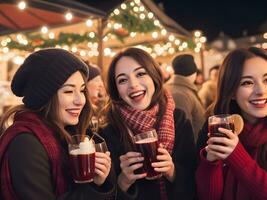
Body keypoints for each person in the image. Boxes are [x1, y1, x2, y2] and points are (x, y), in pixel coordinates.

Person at [0, 48, 115, 199]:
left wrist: (100, 179)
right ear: (44, 97)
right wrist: (93, 189)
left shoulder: (73, 133)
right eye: (68, 91)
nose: (80, 100)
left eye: (81, 90)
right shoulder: (25, 144)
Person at [101, 48, 197, 200]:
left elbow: (195, 182)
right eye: (122, 80)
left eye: (140, 74)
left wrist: (172, 171)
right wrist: (123, 181)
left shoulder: (178, 118)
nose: (133, 84)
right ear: (116, 90)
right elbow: (102, 193)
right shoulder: (107, 133)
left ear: (153, 75)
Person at [196, 47, 267, 200]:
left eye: (266, 80)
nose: (261, 90)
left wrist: (236, 155)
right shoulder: (215, 127)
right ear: (232, 91)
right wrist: (211, 162)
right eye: (247, 82)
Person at [166, 54, 205, 142]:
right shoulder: (180, 94)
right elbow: (184, 134)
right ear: (194, 72)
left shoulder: (180, 89)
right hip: (192, 151)